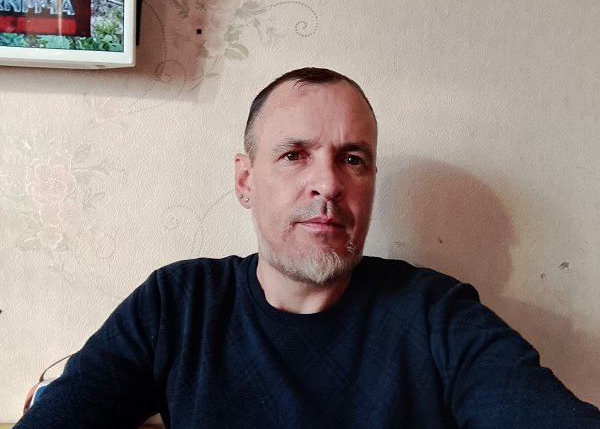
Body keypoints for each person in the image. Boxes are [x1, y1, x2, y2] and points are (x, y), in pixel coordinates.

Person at [15, 67, 600, 428]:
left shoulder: (436, 315)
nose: (329, 184)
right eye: (295, 155)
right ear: (245, 181)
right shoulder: (178, 303)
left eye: (353, 159)